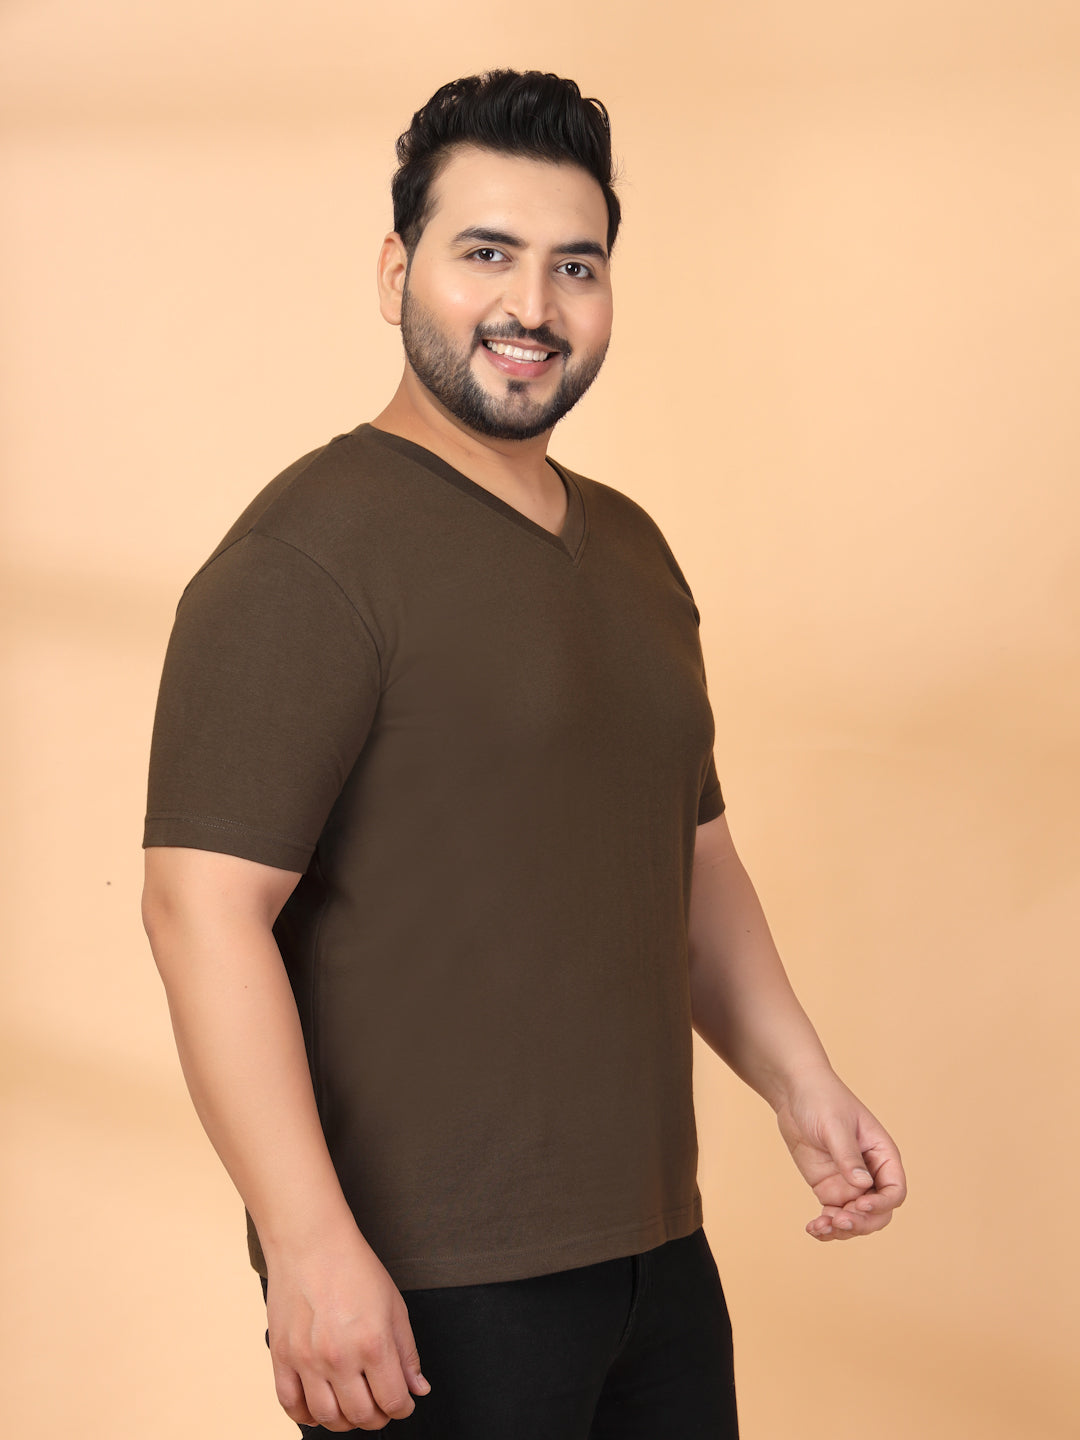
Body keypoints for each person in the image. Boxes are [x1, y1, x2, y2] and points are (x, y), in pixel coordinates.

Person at [141, 69, 906, 1438]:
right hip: (428, 1287)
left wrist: (804, 1085)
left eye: (576, 266)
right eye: (486, 254)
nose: (533, 307)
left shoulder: (632, 549)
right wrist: (308, 1246)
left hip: (657, 1258)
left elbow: (689, 855)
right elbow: (200, 910)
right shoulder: (305, 561)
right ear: (398, 272)